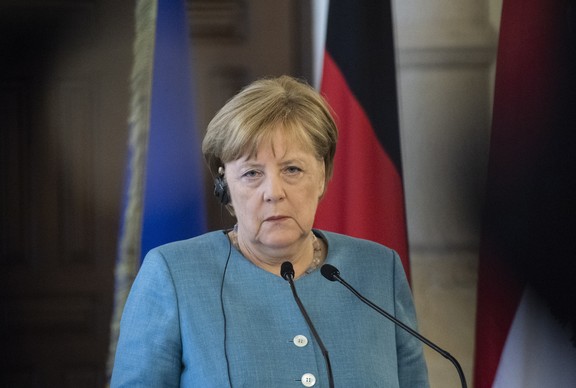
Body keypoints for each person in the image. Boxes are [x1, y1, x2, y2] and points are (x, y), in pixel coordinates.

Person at [110, 75, 429, 387]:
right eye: (251, 173)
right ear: (225, 189)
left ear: (321, 175)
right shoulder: (173, 276)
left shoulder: (379, 270)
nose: (273, 192)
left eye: (292, 169)